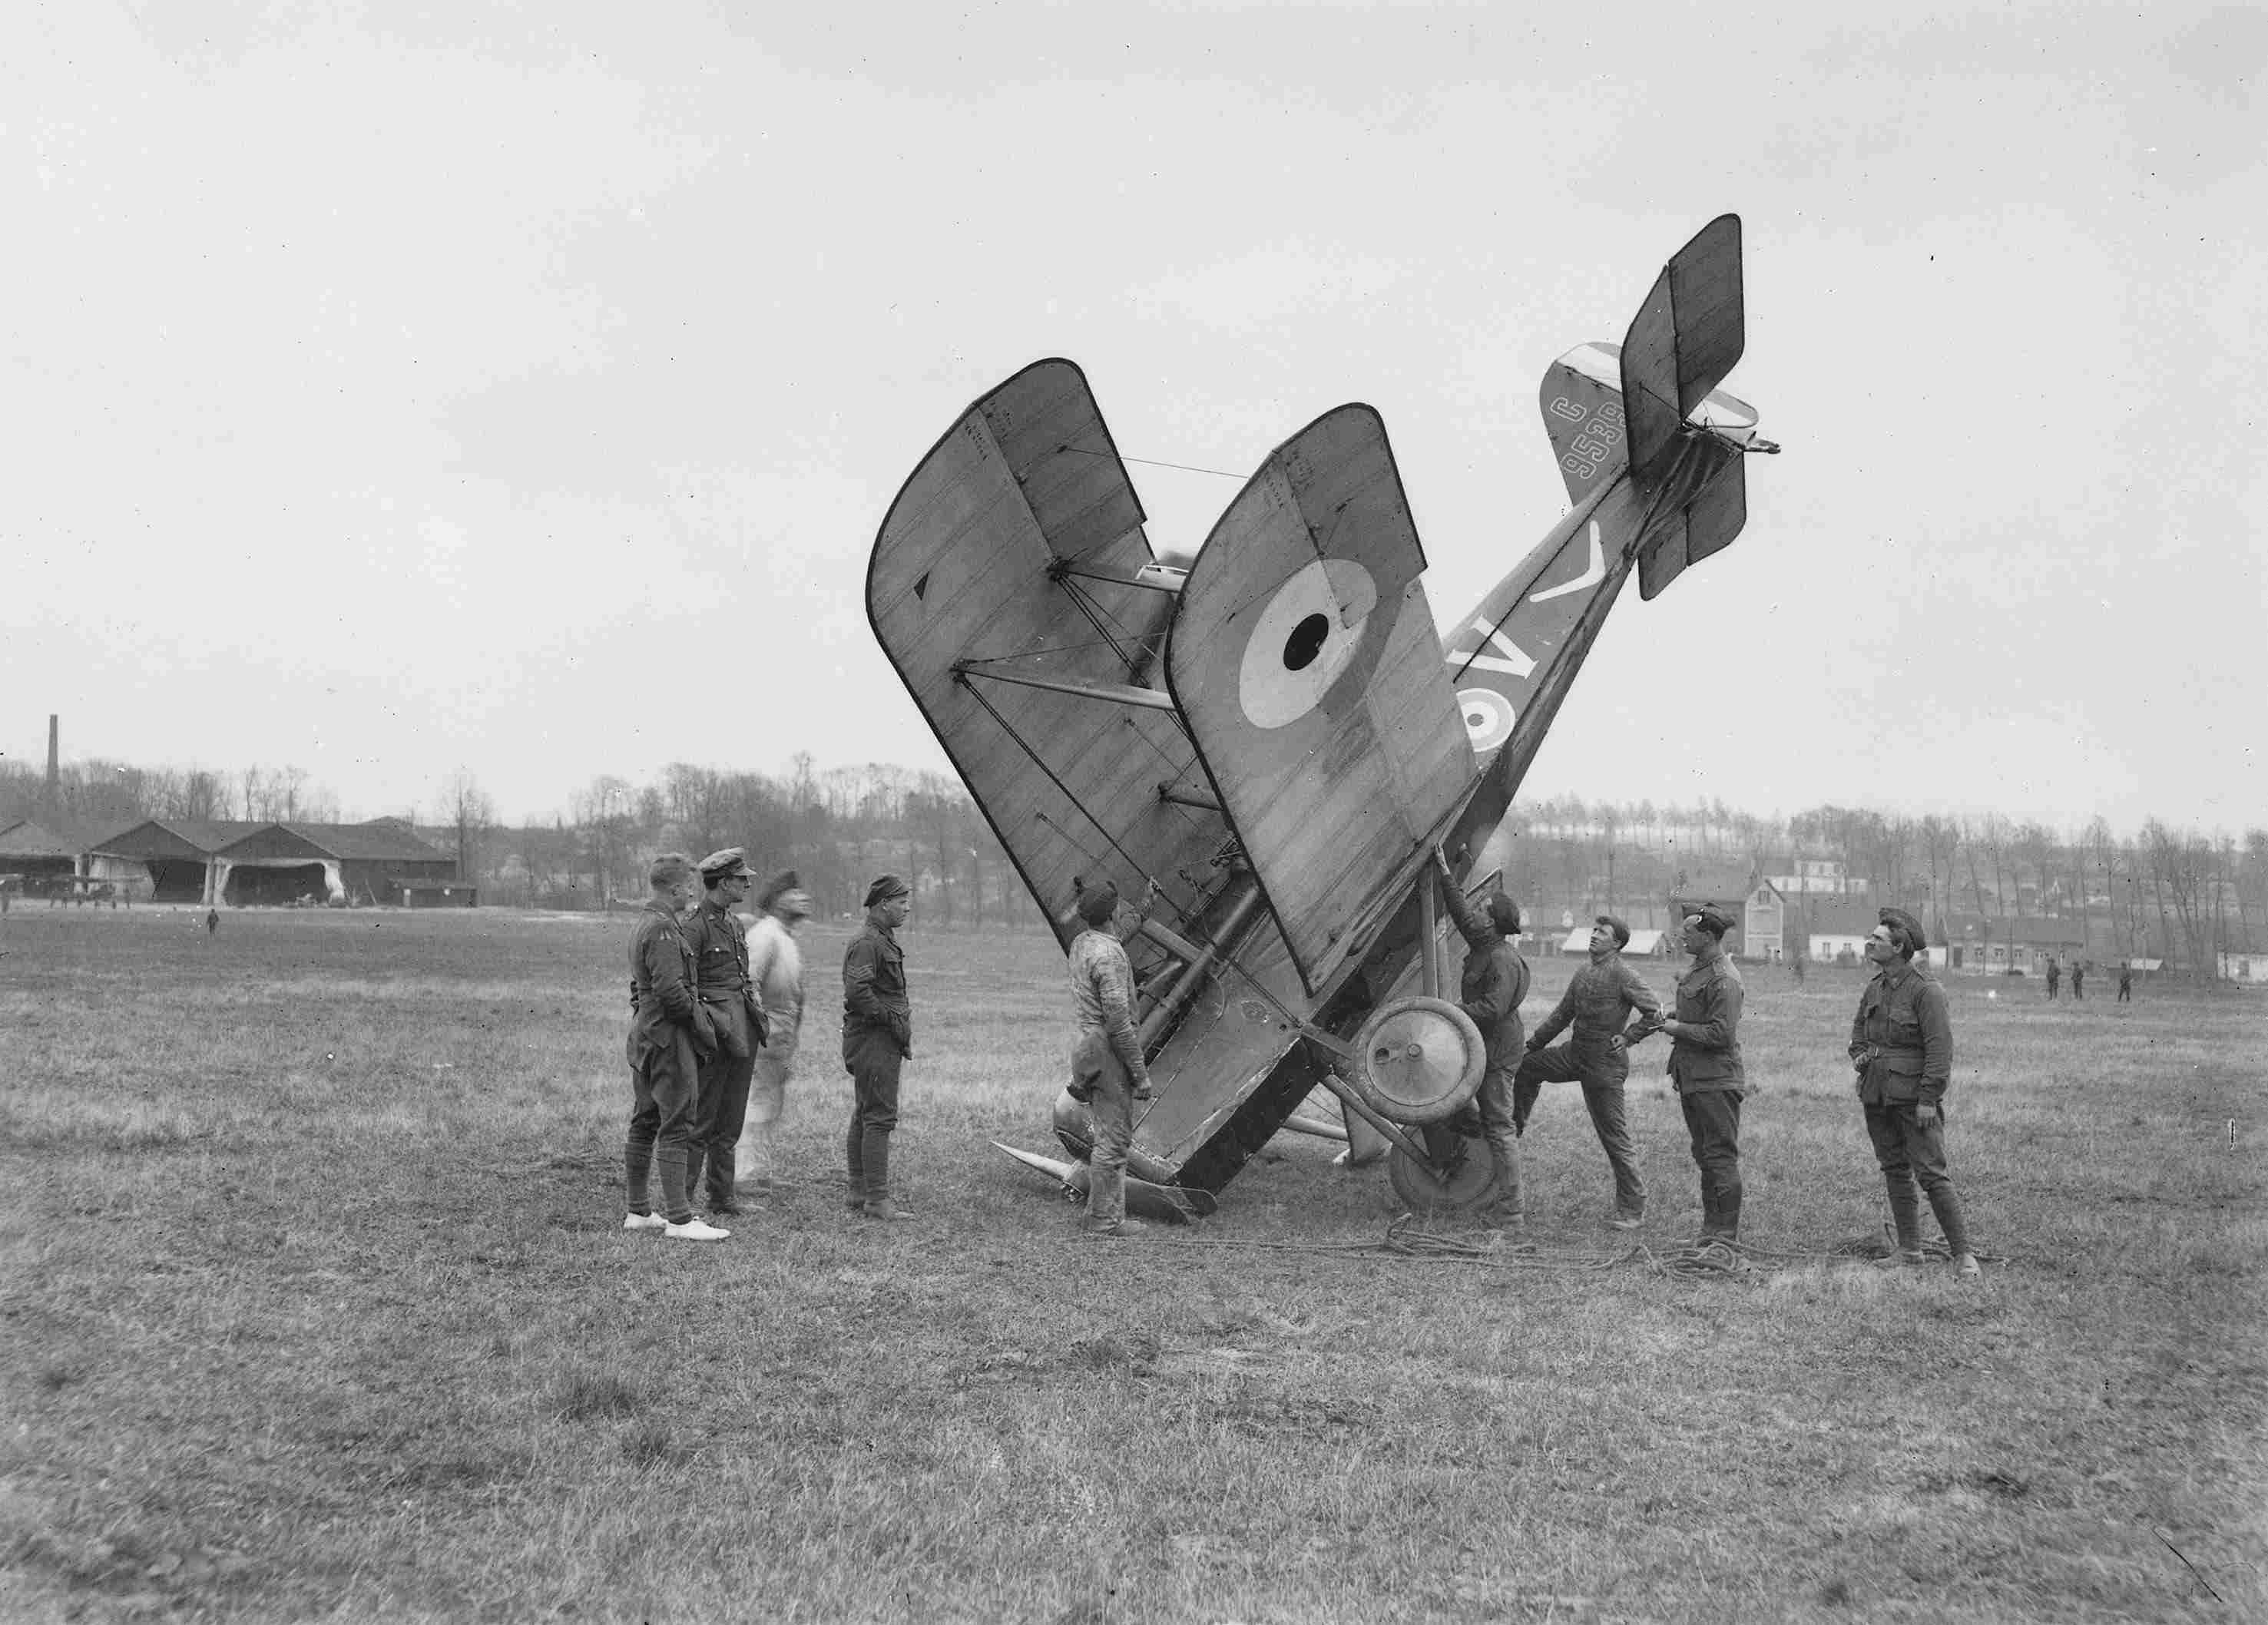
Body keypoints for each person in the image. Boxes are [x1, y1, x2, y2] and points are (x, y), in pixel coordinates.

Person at [1852, 908, 1978, 1278]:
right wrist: (1860, 1056)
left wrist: (1928, 1099)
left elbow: (1940, 1052)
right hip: (1876, 1094)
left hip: (1913, 1099)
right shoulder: (1874, 987)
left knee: (1932, 1174)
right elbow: (1858, 1033)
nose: (1870, 942)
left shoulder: (1927, 992)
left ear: (1899, 947)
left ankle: (1963, 1255)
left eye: (1877, 939)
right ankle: (1910, 1249)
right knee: (1894, 1170)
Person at [1513, 914, 1661, 1229]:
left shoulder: (1624, 974)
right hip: (1575, 1054)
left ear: (1617, 943)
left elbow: (1656, 1013)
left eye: (1602, 933)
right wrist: (1534, 1044)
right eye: (1594, 930)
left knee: (1614, 1137)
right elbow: (1562, 1014)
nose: (1594, 936)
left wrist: (1630, 1036)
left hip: (1605, 1065)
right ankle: (1514, 1128)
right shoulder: (1584, 971)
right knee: (1528, 1066)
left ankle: (1633, 1209)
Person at [622, 853, 729, 1242]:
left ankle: (638, 1211)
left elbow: (640, 990)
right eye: (688, 884)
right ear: (672, 888)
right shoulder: (664, 930)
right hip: (668, 1036)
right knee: (676, 1121)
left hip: (647, 1032)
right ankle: (681, 1220)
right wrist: (703, 1026)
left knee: (646, 1119)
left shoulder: (647, 924)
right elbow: (671, 991)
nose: (693, 891)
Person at [1430, 849, 1529, 1223]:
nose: (1477, 913)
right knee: (1457, 1111)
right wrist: (1444, 873)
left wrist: (1451, 1012)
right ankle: (1479, 1165)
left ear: (1493, 923)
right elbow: (1460, 912)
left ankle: (1512, 1212)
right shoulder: (1484, 941)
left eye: (1483, 910)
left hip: (1498, 1052)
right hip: (1480, 1047)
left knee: (1500, 1128)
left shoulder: (1502, 959)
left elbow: (1493, 1009)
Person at [1064, 878, 1156, 1237]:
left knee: (1107, 1135)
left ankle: (1102, 1215)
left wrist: (1147, 905)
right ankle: (1104, 1221)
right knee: (1114, 1140)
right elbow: (1119, 1023)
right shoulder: (1108, 957)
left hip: (1089, 1048)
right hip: (1108, 1050)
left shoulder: (1084, 943)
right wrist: (1140, 1073)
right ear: (1113, 910)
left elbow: (1119, 935)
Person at [683, 849, 767, 1217]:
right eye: (741, 879)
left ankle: (721, 1198)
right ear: (722, 882)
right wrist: (704, 1029)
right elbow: (685, 985)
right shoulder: (694, 926)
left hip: (742, 1032)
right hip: (712, 1035)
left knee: (730, 1121)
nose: (747, 884)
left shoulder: (734, 924)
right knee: (700, 1122)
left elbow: (742, 979)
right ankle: (681, 1202)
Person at [1656, 905, 1747, 1246]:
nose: (1682, 938)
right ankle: (1709, 1233)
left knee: (1720, 1157)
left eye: (1688, 933)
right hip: (1694, 1077)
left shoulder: (1724, 978)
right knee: (1705, 1155)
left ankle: (1725, 1237)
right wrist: (1675, 1016)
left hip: (1716, 1080)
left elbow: (1720, 1034)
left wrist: (1676, 1026)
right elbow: (1700, 1013)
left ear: (1708, 936)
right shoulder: (1700, 970)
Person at [733, 869, 810, 1197]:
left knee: (771, 1103)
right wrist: (761, 1029)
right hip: (764, 1035)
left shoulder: (784, 937)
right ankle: (744, 1174)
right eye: (793, 894)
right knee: (757, 1102)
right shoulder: (765, 936)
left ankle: (759, 1171)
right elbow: (748, 983)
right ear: (778, 901)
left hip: (780, 1036)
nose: (803, 899)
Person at [843, 873, 915, 1221]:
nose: (907, 908)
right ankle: (876, 1199)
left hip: (877, 1037)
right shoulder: (868, 942)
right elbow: (858, 992)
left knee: (866, 1110)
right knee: (879, 1116)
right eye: (902, 902)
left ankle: (860, 1189)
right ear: (883, 903)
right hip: (874, 1038)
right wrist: (887, 1019)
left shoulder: (881, 938)